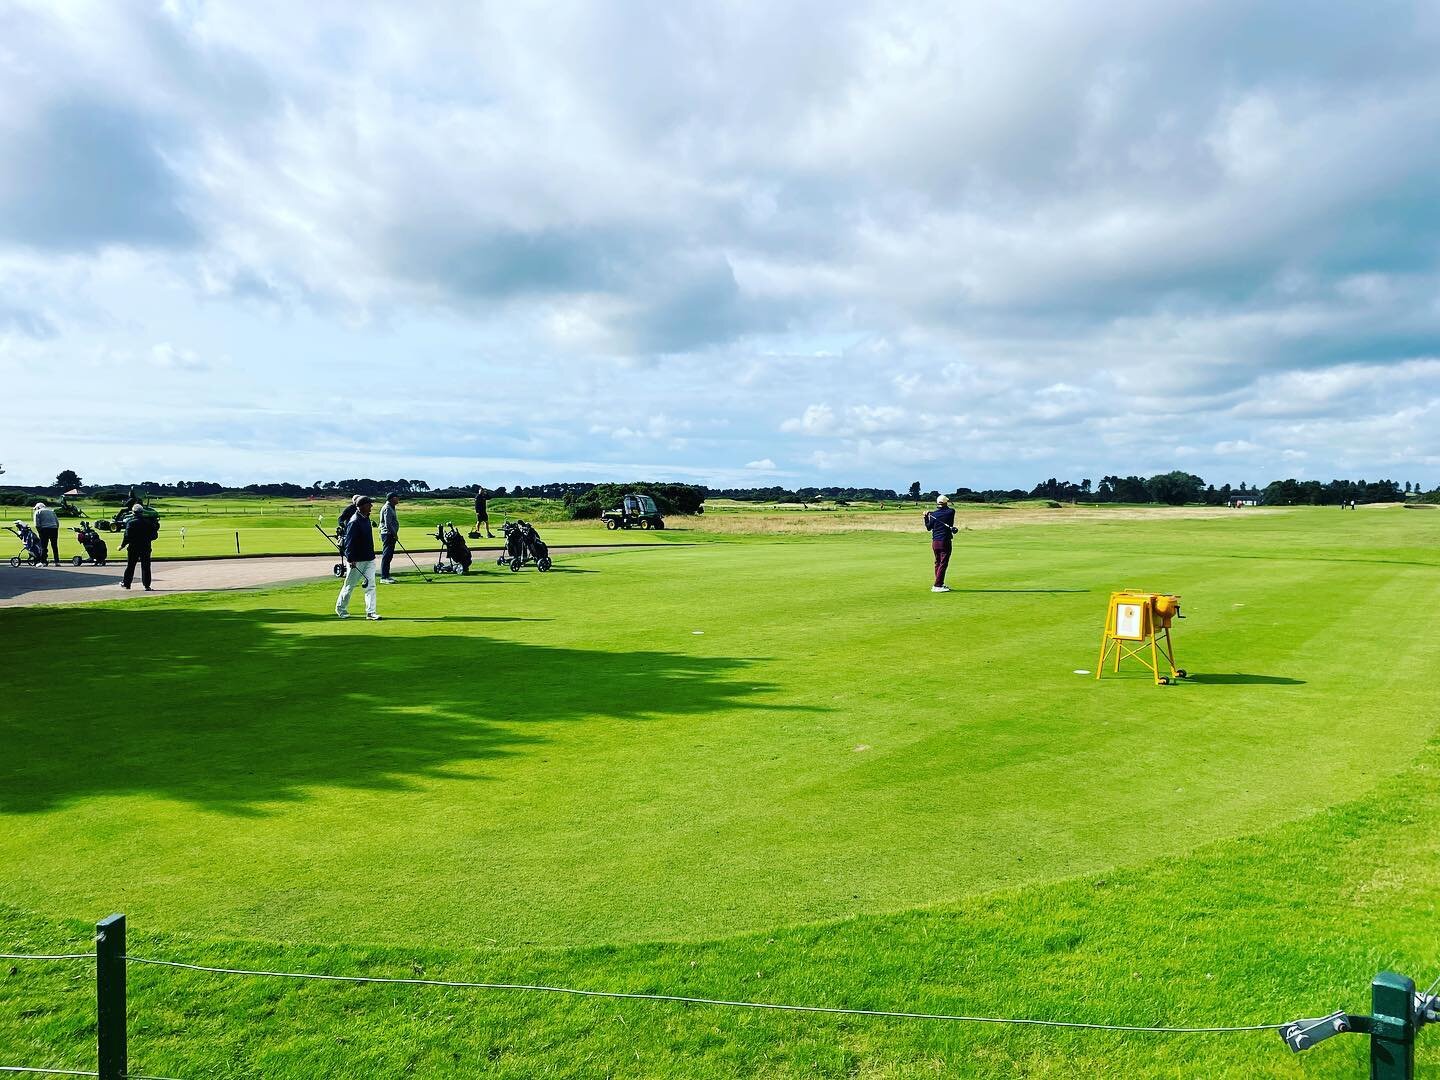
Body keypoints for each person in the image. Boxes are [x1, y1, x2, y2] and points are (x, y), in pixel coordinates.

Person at [336, 496, 381, 620]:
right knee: (349, 586)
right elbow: (350, 543)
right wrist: (351, 559)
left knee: (370, 585)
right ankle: (341, 609)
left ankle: (371, 612)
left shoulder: (366, 518)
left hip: (369, 558)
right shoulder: (354, 521)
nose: (371, 506)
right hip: (357, 560)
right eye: (369, 504)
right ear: (362, 506)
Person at [923, 494, 957, 593]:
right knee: (943, 563)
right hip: (945, 541)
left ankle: (940, 583)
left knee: (938, 563)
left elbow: (928, 528)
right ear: (946, 503)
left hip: (935, 542)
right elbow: (949, 509)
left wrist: (926, 517)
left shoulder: (933, 515)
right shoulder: (951, 512)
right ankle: (937, 585)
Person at [119, 504, 157, 590]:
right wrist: (147, 539)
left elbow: (127, 536)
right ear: (142, 512)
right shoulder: (148, 522)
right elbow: (154, 536)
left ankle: (127, 583)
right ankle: (147, 585)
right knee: (146, 566)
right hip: (146, 547)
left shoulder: (131, 522)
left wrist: (122, 545)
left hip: (133, 547)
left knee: (130, 566)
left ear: (133, 512)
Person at [378, 492, 400, 583]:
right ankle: (384, 577)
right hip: (388, 534)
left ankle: (387, 575)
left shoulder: (391, 507)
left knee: (389, 556)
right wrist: (394, 534)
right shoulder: (387, 508)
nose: (398, 499)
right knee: (387, 555)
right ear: (391, 498)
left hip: (390, 534)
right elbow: (388, 524)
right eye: (396, 497)